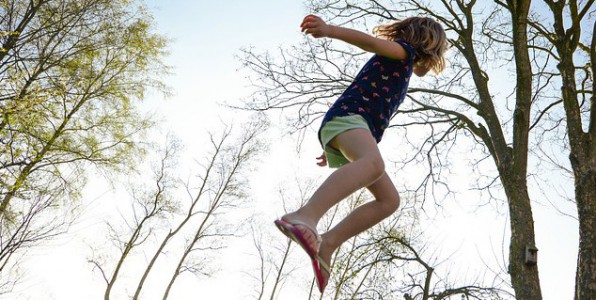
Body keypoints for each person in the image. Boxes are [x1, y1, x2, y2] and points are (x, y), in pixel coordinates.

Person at [274, 14, 448, 293]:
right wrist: (329, 30)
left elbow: (421, 71)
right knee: (373, 163)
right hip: (350, 119)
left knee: (389, 200)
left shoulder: (404, 63)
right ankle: (305, 216)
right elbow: (369, 42)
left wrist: (335, 146)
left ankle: (327, 244)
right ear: (427, 43)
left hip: (351, 126)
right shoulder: (403, 51)